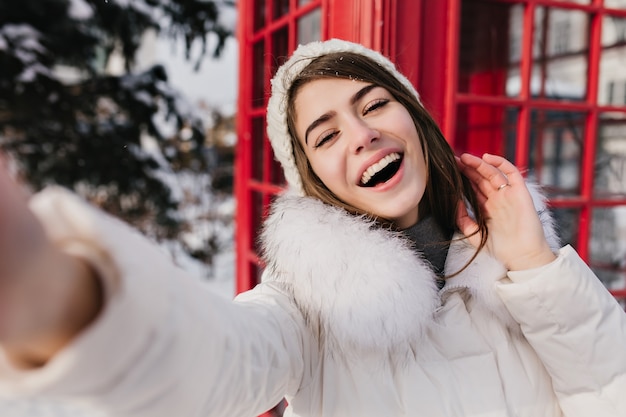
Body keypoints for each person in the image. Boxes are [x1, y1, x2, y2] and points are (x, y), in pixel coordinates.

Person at [0, 39, 625, 417]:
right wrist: (70, 300)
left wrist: (539, 269)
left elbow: (610, 386)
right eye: (326, 135)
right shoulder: (305, 301)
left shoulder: (519, 254)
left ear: (415, 118)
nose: (363, 134)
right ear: (312, 177)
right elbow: (224, 361)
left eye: (375, 103)